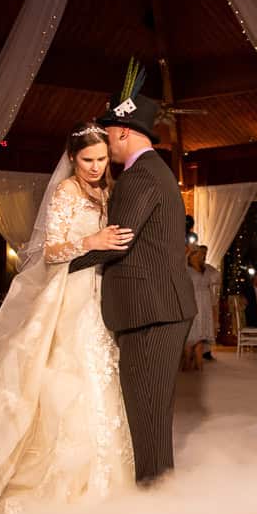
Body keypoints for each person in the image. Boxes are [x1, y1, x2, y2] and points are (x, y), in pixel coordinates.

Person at [0, 122, 138, 514]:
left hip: (97, 292)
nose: (96, 167)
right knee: (69, 377)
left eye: (101, 159)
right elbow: (50, 250)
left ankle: (104, 481)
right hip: (71, 294)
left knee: (101, 376)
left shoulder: (104, 190)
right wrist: (92, 242)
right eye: (87, 160)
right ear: (72, 158)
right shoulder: (65, 192)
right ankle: (61, 486)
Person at [68, 64, 196, 484]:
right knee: (151, 414)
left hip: (150, 312)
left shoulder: (139, 176)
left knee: (146, 415)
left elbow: (117, 241)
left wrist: (65, 263)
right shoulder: (155, 171)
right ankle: (159, 495)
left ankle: (156, 498)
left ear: (123, 131)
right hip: (160, 308)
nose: (105, 145)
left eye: (107, 135)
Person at [184, 247, 214, 371]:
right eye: (198, 254)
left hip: (205, 304)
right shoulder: (186, 270)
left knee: (201, 335)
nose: (201, 256)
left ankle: (199, 363)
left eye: (202, 254)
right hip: (193, 301)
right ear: (191, 256)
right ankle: (187, 362)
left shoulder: (206, 269)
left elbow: (216, 277)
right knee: (191, 334)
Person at [197, 245, 222, 361]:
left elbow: (217, 277)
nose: (204, 255)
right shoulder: (191, 267)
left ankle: (206, 351)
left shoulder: (208, 268)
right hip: (196, 299)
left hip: (206, 299)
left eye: (205, 253)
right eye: (202, 253)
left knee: (207, 324)